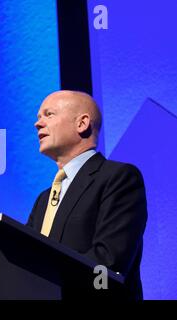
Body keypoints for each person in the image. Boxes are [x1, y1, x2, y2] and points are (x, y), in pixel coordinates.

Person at [27, 90, 147, 299]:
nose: (38, 124)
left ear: (82, 124)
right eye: (38, 117)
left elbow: (108, 263)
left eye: (49, 114)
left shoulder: (118, 178)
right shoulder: (43, 200)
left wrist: (45, 285)